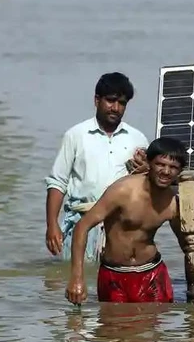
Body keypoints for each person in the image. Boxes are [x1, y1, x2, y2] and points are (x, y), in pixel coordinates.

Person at [65, 137, 194, 304]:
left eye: (173, 167)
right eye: (160, 164)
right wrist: (76, 277)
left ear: (180, 171)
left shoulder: (172, 203)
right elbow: (82, 226)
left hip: (152, 273)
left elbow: (189, 243)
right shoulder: (122, 191)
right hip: (114, 274)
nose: (166, 171)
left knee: (155, 323)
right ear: (149, 164)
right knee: (113, 323)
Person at [45, 72, 149, 263]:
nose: (115, 108)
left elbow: (149, 186)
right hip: (82, 222)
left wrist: (145, 171)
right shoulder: (76, 135)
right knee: (75, 276)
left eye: (122, 103)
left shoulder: (137, 139)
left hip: (122, 226)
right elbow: (57, 183)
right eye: (110, 100)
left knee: (120, 277)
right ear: (97, 100)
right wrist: (52, 225)